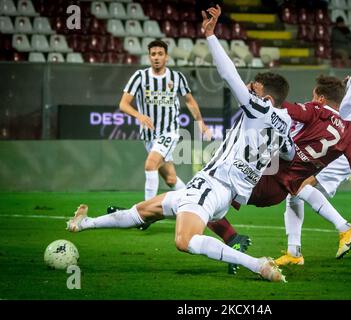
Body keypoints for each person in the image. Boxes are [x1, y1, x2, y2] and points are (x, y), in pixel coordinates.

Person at [68, 5, 293, 282]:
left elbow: (228, 74)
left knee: (184, 241)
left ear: (267, 99)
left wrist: (211, 36)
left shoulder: (260, 109)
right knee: (144, 210)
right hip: (221, 188)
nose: (247, 89)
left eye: (254, 89)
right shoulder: (285, 126)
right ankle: (85, 224)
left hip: (216, 184)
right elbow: (291, 154)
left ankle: (257, 264)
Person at [209, 75, 351, 268]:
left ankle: (232, 240)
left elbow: (281, 106)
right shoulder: (350, 133)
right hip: (285, 185)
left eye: (313, 97)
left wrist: (256, 93)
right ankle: (296, 251)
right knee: (296, 191)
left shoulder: (315, 110)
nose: (311, 101)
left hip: (269, 177)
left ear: (320, 99)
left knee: (210, 199)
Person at [275, 29, 351, 265]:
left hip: (344, 137)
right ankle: (294, 252)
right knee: (295, 191)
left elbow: (348, 102)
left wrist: (334, 120)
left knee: (297, 184)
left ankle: (344, 228)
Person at [119, 39, 212, 205]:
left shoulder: (176, 78)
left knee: (150, 164)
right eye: (153, 54)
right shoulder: (140, 77)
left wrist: (200, 122)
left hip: (169, 132)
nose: (156, 57)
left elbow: (189, 101)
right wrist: (139, 115)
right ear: (149, 57)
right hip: (148, 135)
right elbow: (123, 104)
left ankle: (146, 213)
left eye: (160, 54)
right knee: (170, 179)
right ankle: (192, 203)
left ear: (166, 57)